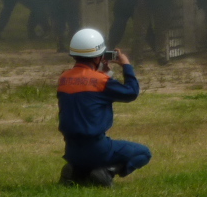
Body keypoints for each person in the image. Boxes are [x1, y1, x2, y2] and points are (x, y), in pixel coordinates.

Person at [57, 28, 151, 187]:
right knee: (143, 153)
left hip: (71, 150)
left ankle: (76, 170)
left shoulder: (64, 78)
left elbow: (88, 90)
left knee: (83, 160)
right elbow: (131, 92)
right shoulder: (101, 81)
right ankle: (107, 171)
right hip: (97, 148)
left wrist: (106, 73)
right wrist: (126, 65)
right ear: (99, 56)